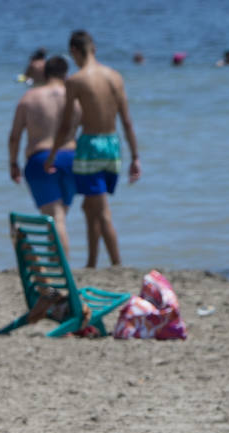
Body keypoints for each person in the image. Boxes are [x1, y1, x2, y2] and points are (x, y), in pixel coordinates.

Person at [47, 29, 141, 267]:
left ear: (74, 52)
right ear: (94, 48)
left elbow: (67, 125)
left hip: (90, 145)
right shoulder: (115, 76)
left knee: (100, 211)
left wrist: (53, 154)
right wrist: (136, 157)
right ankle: (91, 263)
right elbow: (127, 121)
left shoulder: (76, 80)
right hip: (113, 145)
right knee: (91, 206)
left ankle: (118, 264)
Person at [9, 54, 80, 253]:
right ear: (66, 74)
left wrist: (13, 163)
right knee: (60, 219)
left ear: (45, 73)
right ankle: (58, 266)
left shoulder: (29, 97)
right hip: (71, 160)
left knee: (55, 219)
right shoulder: (75, 98)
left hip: (40, 159)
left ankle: (60, 269)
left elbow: (14, 136)